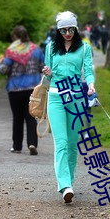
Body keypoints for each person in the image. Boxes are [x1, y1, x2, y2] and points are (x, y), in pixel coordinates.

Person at [42, 11, 95, 203]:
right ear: (58, 30)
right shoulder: (50, 48)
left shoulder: (84, 48)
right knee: (61, 142)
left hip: (76, 99)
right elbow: (48, 77)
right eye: (63, 30)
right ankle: (64, 185)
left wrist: (90, 84)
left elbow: (88, 70)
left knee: (73, 144)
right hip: (56, 97)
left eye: (71, 29)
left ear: (76, 28)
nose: (67, 33)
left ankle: (70, 181)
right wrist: (47, 72)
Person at [0, 25, 45, 155]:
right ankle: (32, 143)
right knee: (31, 117)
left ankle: (17, 146)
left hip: (15, 89)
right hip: (32, 89)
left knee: (17, 118)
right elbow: (43, 67)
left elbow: (4, 70)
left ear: (15, 37)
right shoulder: (36, 50)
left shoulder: (11, 51)